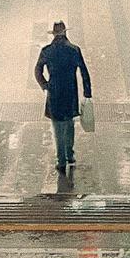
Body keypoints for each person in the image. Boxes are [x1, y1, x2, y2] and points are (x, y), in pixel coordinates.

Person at [34, 20, 92, 172]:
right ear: (65, 32)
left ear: (53, 34)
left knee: (57, 126)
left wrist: (45, 85)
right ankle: (69, 153)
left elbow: (37, 70)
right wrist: (87, 92)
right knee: (69, 124)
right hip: (70, 92)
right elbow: (84, 72)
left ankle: (61, 160)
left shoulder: (47, 51)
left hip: (54, 93)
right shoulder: (74, 50)